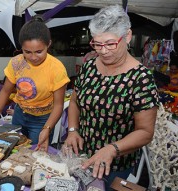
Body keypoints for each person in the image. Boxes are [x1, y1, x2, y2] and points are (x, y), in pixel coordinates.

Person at [64, 5, 159, 190]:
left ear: (128, 36)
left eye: (110, 43)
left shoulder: (142, 79)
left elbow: (145, 132)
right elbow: (75, 101)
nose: (103, 51)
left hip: (115, 166)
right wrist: (73, 130)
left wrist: (112, 149)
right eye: (97, 44)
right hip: (82, 156)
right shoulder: (89, 66)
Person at [0, 16, 70, 151]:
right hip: (19, 114)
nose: (33, 57)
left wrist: (47, 128)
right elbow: (5, 91)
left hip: (42, 120)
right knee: (13, 150)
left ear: (48, 44)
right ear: (21, 47)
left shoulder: (56, 68)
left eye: (39, 51)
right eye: (27, 52)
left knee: (34, 155)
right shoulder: (16, 62)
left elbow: (58, 105)